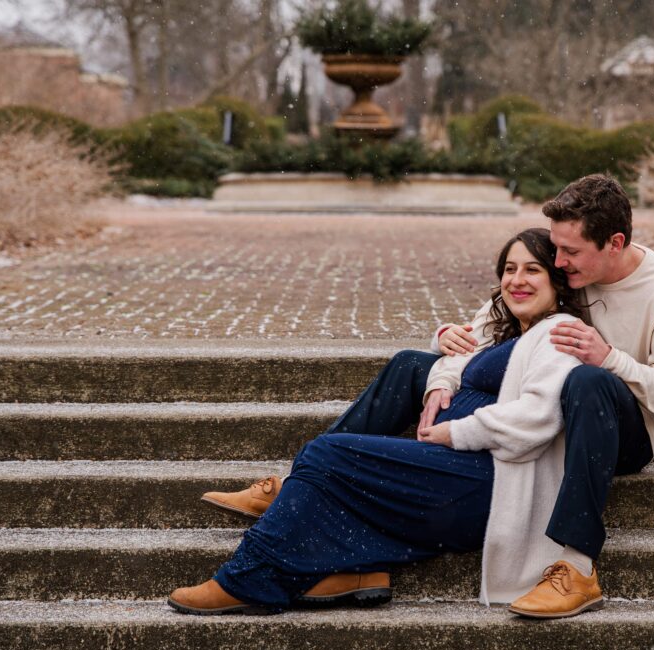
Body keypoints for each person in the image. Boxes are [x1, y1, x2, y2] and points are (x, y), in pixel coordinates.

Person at [168, 228, 589, 615]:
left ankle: (248, 578)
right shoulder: (509, 325)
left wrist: (455, 430)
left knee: (327, 456)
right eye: (510, 269)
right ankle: (355, 571)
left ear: (557, 280)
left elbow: (537, 418)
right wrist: (444, 357)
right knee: (334, 470)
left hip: (489, 481)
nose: (517, 279)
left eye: (533, 270)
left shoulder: (559, 332)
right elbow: (453, 351)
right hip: (456, 473)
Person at [437, 174, 654, 618]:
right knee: (411, 368)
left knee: (587, 379)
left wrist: (611, 359)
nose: (558, 261)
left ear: (614, 243)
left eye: (571, 252)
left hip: (624, 431)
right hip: (546, 416)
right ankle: (319, 482)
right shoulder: (566, 268)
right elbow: (487, 322)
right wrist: (445, 338)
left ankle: (576, 565)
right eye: (557, 248)